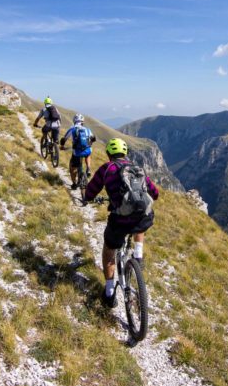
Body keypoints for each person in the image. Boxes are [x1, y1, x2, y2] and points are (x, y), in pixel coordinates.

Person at [84, 138, 160, 308]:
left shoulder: (106, 169)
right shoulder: (137, 168)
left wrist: (87, 198)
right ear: (125, 153)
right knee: (139, 217)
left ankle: (109, 292)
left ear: (109, 153)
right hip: (143, 219)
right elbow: (154, 193)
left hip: (119, 221)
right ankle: (138, 255)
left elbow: (91, 191)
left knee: (109, 251)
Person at [59, 113, 96, 190]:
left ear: (74, 121)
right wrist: (89, 144)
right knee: (88, 154)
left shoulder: (72, 129)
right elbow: (93, 139)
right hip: (87, 150)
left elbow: (64, 139)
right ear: (82, 121)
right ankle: (88, 168)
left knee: (72, 168)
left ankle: (74, 184)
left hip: (76, 152)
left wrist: (62, 146)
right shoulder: (87, 130)